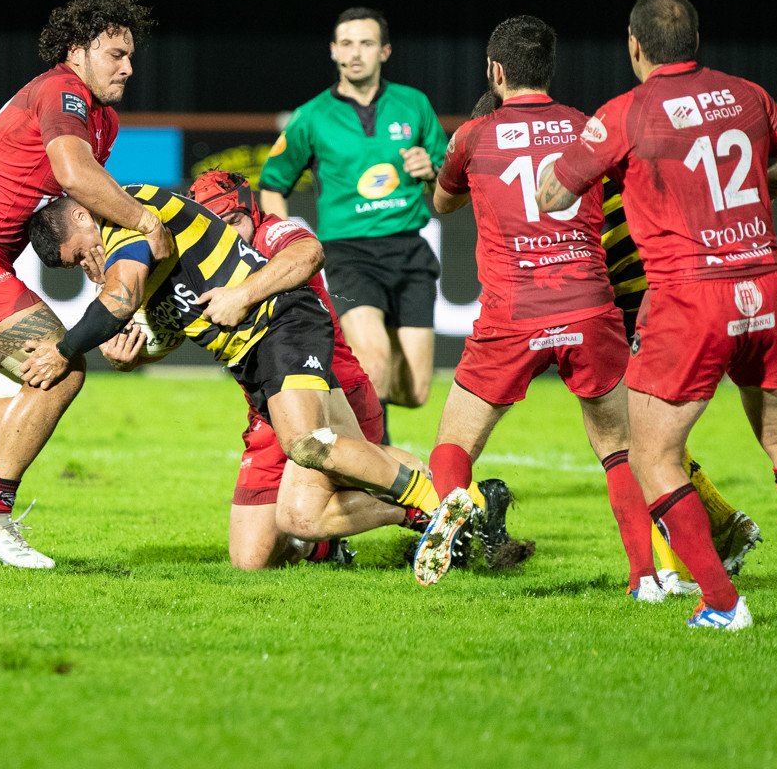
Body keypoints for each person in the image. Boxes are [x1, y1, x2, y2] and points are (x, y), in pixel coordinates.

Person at [536, 0, 777, 629]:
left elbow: (551, 193)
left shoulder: (626, 113)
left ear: (634, 45)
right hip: (763, 283)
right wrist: (764, 185)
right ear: (696, 40)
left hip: (689, 297)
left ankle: (722, 603)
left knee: (651, 456)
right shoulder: (747, 95)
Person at [94, 170, 522, 572]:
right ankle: (359, 537)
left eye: (235, 218)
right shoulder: (208, 256)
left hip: (330, 383)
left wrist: (243, 293)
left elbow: (310, 252)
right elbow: (179, 329)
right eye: (217, 222)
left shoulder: (273, 232)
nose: (230, 231)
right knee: (251, 559)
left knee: (303, 510)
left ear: (251, 208)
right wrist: (136, 357)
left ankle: (447, 506)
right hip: (265, 402)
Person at [20, 183, 456, 577]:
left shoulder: (127, 217)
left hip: (279, 323)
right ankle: (453, 497)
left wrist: (63, 350)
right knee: (279, 531)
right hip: (253, 361)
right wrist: (130, 357)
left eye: (80, 254)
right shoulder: (137, 253)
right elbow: (166, 328)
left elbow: (121, 297)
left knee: (308, 445)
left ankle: (436, 504)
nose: (87, 265)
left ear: (81, 216)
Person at [0, 0, 161, 570]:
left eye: (130, 56)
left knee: (11, 406)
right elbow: (73, 173)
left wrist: (95, 252)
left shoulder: (102, 117)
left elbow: (67, 201)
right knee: (63, 367)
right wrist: (145, 221)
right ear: (77, 52)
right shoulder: (61, 91)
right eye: (115, 54)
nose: (127, 67)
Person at [427, 15, 660, 594]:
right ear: (547, 71)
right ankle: (648, 576)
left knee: (454, 445)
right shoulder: (589, 129)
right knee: (619, 450)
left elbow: (441, 203)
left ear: (495, 71)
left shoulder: (472, 137)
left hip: (513, 314)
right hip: (589, 308)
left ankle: (458, 503)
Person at [258, 7, 447, 441]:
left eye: (365, 43)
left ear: (385, 51)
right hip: (349, 253)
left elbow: (451, 186)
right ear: (333, 51)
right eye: (346, 43)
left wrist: (432, 171)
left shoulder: (414, 104)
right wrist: (288, 246)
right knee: (374, 363)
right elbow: (272, 185)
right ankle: (381, 478)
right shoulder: (311, 116)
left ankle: (335, 400)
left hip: (410, 249)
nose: (354, 53)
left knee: (416, 390)